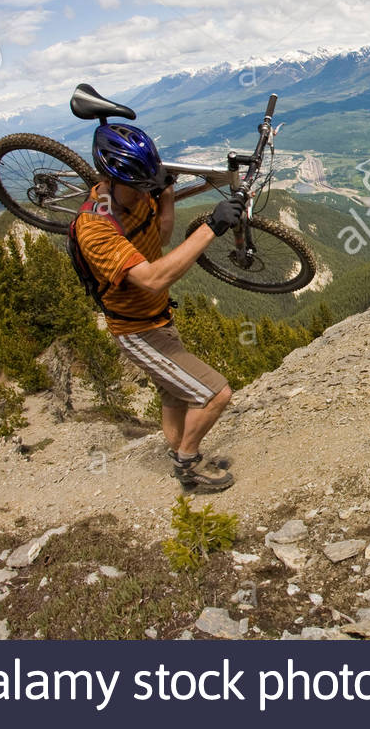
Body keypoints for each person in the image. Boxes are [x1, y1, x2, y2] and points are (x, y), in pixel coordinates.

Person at [74, 122, 246, 492]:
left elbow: (161, 236)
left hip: (158, 319)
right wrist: (211, 227)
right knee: (216, 392)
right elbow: (153, 278)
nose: (145, 192)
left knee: (175, 394)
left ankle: (183, 450)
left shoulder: (136, 194)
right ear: (113, 179)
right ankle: (188, 464)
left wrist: (165, 195)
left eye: (149, 184)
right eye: (140, 187)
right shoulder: (95, 228)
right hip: (138, 331)